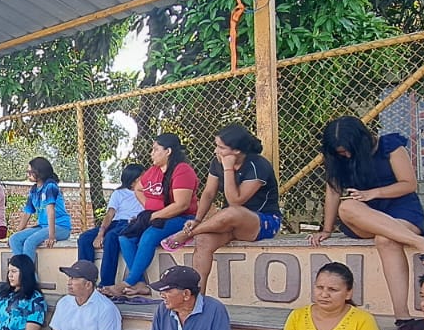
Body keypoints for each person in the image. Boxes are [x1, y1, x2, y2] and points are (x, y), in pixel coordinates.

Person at [308, 117, 424, 319]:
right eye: (341, 153)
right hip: (365, 215)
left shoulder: (389, 146)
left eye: (349, 150)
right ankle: (423, 244)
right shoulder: (336, 158)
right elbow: (333, 192)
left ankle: (402, 316)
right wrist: (326, 229)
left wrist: (373, 193)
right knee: (347, 207)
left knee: (385, 239)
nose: (347, 155)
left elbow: (409, 184)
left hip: (401, 209)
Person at [161, 125, 281, 290]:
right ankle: (198, 297)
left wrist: (228, 168)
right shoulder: (217, 163)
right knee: (203, 241)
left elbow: (235, 201)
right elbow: (209, 193)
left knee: (232, 212)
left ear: (236, 151)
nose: (216, 151)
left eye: (221, 148)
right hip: (231, 223)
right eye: (216, 145)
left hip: (263, 222)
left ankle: (187, 234)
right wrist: (197, 220)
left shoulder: (258, 165)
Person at [103, 133, 199, 301]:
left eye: (155, 149)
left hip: (181, 218)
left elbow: (182, 205)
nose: (151, 153)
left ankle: (127, 283)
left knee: (148, 236)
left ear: (168, 151)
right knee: (125, 237)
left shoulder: (182, 170)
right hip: (156, 217)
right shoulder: (153, 171)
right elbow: (138, 188)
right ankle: (140, 283)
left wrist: (154, 214)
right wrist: (149, 207)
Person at [78, 163, 143, 288]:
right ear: (134, 180)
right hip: (116, 223)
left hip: (131, 223)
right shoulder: (119, 193)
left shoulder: (145, 194)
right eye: (142, 177)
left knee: (111, 237)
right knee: (84, 238)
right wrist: (100, 234)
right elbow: (110, 214)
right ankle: (84, 278)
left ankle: (106, 283)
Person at [9, 157, 71, 261]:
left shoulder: (50, 186)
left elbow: (50, 211)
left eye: (31, 172)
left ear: (40, 172)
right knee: (14, 239)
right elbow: (27, 213)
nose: (28, 175)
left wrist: (51, 236)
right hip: (43, 226)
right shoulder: (34, 190)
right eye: (27, 172)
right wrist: (18, 232)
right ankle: (22, 268)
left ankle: (27, 270)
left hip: (60, 226)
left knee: (30, 242)